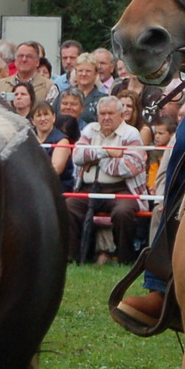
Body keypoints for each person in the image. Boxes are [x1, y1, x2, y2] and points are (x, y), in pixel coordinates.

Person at [66, 96, 147, 264]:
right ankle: (72, 258)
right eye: (102, 113)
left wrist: (95, 159)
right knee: (68, 207)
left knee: (123, 212)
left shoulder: (131, 133)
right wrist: (108, 152)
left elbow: (130, 167)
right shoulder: (90, 130)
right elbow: (77, 156)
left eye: (111, 113)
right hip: (88, 188)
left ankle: (124, 259)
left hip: (122, 189)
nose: (106, 117)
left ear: (121, 115)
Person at [31, 101, 76, 195]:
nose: (43, 119)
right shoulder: (28, 139)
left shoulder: (62, 140)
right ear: (32, 121)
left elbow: (56, 170)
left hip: (58, 189)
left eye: (46, 114)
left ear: (54, 117)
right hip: (34, 187)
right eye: (38, 116)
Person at [0, 41, 57, 105]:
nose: (24, 59)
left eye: (29, 56)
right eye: (20, 56)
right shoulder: (1, 85)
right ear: (15, 60)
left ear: (37, 62)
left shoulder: (49, 87)